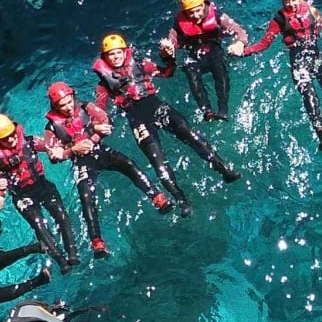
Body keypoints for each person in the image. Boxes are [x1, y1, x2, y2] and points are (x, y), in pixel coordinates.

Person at [93, 34, 241, 219]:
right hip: (137, 120)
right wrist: (100, 126)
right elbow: (100, 111)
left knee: (189, 133)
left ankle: (223, 169)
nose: (116, 57)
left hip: (156, 107)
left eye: (118, 53)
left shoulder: (140, 64)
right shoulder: (103, 86)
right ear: (105, 58)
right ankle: (182, 201)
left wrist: (168, 57)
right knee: (158, 161)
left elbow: (167, 73)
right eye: (111, 55)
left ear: (125, 52)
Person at [43, 81, 175, 255]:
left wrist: (93, 133)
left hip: (100, 150)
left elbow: (106, 121)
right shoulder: (52, 128)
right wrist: (72, 150)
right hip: (82, 161)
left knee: (129, 164)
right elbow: (53, 156)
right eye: (62, 106)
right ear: (55, 106)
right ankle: (97, 241)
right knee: (86, 195)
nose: (68, 108)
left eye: (69, 102)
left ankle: (157, 197)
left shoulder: (85, 107)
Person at [232, 0, 322, 152]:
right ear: (282, 0)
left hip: (316, 55)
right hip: (298, 61)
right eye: (286, 0)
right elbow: (264, 43)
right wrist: (244, 52)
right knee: (310, 97)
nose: (290, 4)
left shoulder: (312, 11)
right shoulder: (279, 20)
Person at [0, 113, 80, 273]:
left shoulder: (29, 142)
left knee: (61, 214)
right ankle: (61, 261)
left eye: (12, 135)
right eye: (5, 139)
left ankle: (72, 253)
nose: (11, 140)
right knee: (40, 225)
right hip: (22, 196)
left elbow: (50, 145)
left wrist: (61, 149)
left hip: (42, 186)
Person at [160, 0, 249, 121]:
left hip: (214, 50)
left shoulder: (218, 16)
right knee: (191, 71)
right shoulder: (178, 24)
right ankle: (206, 110)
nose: (196, 16)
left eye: (198, 10)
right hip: (194, 53)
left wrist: (239, 43)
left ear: (203, 5)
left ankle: (223, 109)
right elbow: (169, 48)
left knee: (219, 68)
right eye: (191, 13)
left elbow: (241, 32)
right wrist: (166, 51)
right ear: (184, 12)